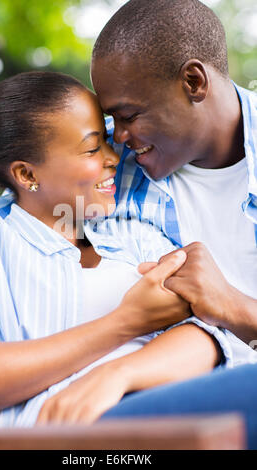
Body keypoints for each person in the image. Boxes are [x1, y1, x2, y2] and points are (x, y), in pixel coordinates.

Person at [0, 70, 242, 427]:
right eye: (93, 148)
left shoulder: (131, 234)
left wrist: (116, 376)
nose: (113, 157)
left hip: (170, 412)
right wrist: (124, 323)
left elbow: (208, 336)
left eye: (106, 142)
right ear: (27, 175)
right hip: (68, 431)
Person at [87, 0, 257, 449]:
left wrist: (236, 307)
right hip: (139, 406)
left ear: (193, 81)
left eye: (128, 115)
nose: (117, 135)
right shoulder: (101, 164)